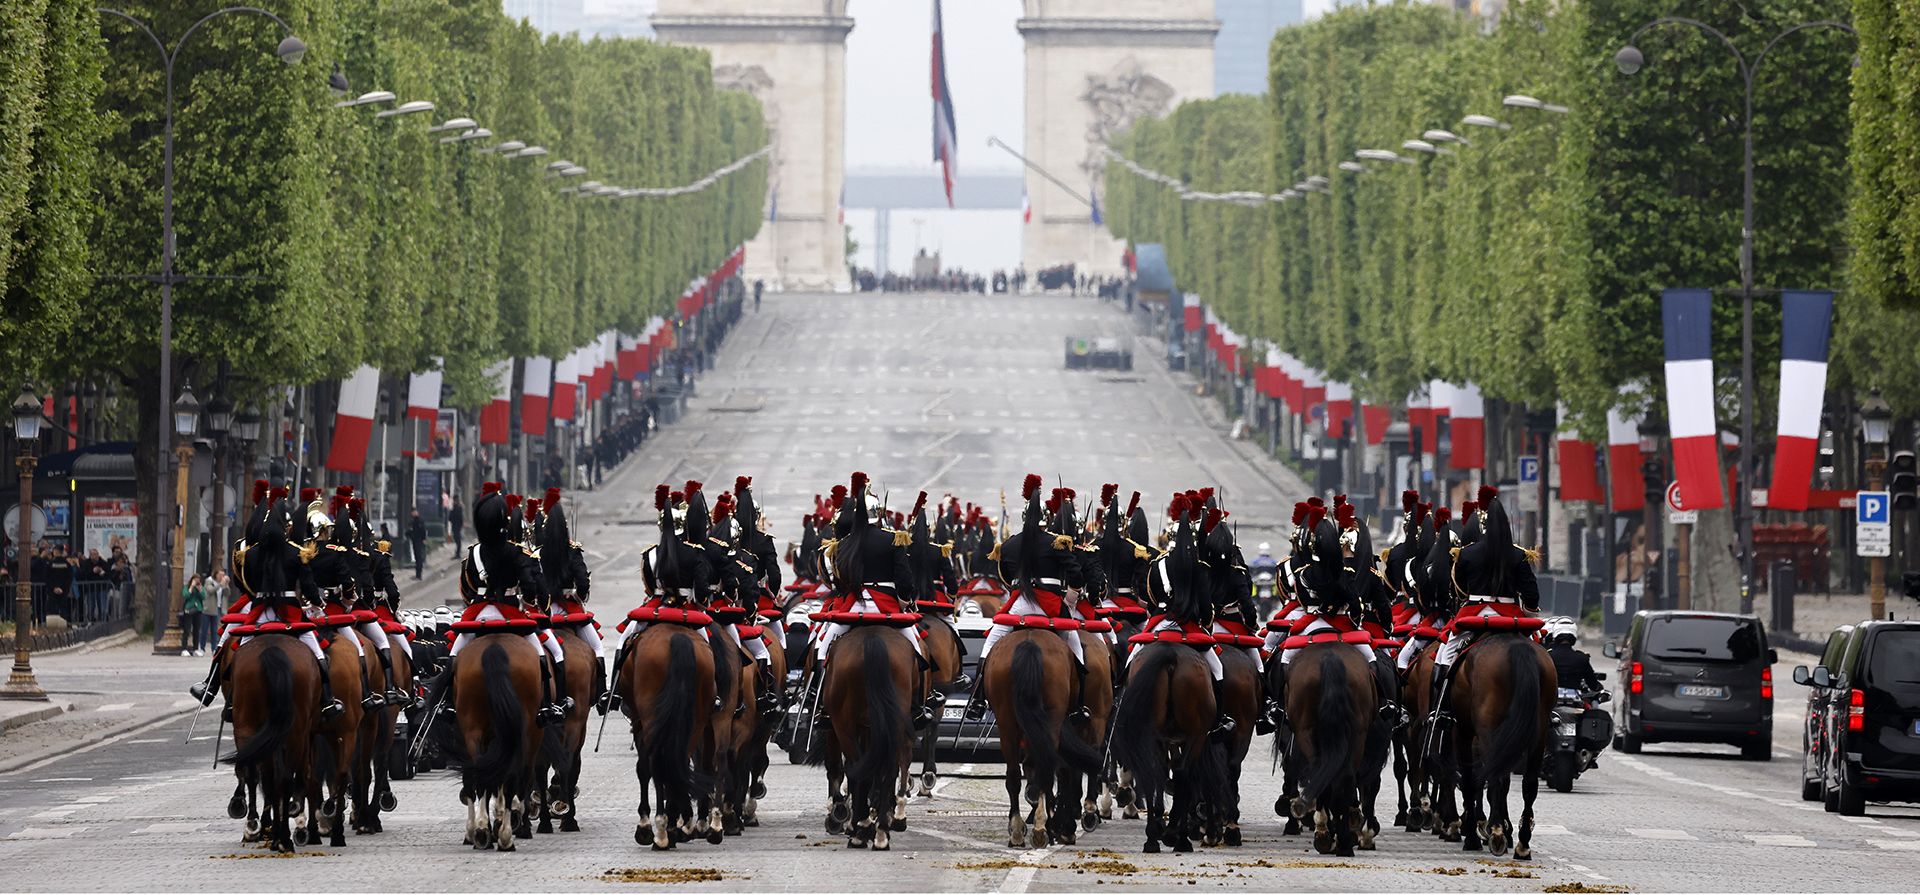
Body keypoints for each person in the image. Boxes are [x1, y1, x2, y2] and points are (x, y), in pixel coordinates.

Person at [1544, 616, 1602, 692]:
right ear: (1574, 636)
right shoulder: (1582, 658)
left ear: (1555, 636)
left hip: (1552, 699)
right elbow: (1593, 684)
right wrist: (1599, 689)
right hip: (1575, 700)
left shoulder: (1547, 656)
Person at [180, 573, 206, 656]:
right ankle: (184, 648)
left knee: (196, 630)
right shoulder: (187, 587)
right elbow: (186, 595)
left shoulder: (200, 588)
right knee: (187, 629)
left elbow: (203, 596)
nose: (197, 582)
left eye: (198, 580)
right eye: (195, 580)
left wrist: (200, 589)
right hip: (189, 610)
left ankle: (195, 649)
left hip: (198, 610)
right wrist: (191, 587)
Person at [406, 509, 427, 580]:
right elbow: (410, 531)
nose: (413, 514)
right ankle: (417, 574)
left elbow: (423, 530)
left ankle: (419, 574)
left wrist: (423, 539)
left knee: (419, 558)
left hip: (418, 541)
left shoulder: (419, 521)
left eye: (414, 512)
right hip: (415, 541)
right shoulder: (412, 522)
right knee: (417, 557)